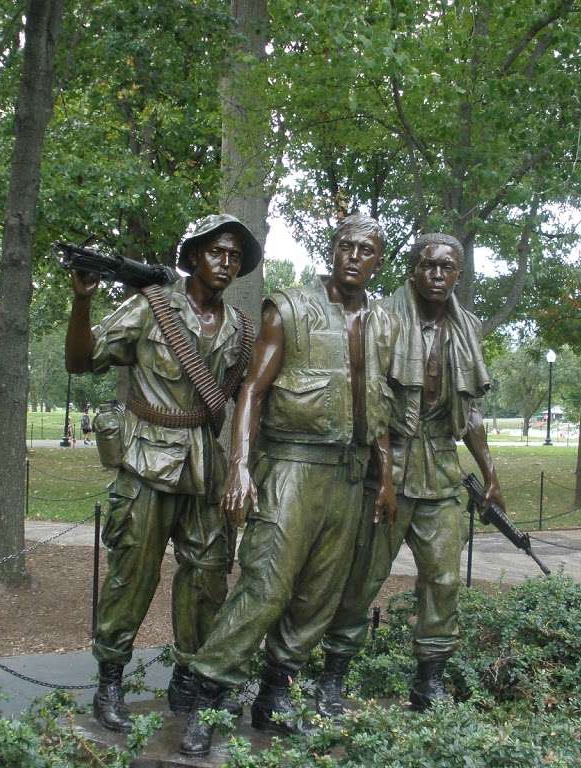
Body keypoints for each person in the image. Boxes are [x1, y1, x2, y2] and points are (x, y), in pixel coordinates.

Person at [179, 214, 399, 757]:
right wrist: (239, 466)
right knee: (266, 585)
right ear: (332, 251)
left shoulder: (384, 323)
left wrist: (386, 475)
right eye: (345, 246)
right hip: (293, 465)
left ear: (377, 261)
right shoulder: (290, 308)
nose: (353, 256)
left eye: (366, 249)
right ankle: (208, 694)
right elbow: (251, 389)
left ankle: (276, 696)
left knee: (317, 595)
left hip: (349, 474)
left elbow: (382, 405)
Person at [65, 214, 262, 733]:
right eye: (217, 252)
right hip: (145, 463)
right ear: (194, 255)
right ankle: (110, 681)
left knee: (207, 577)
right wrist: (83, 300)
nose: (226, 263)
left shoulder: (241, 328)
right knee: (132, 575)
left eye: (235, 256)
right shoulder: (152, 306)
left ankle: (189, 677)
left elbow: (245, 396)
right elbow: (82, 361)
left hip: (204, 468)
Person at [319, 232, 505, 715]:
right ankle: (332, 677)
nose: (438, 276)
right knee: (364, 576)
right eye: (429, 267)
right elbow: (370, 399)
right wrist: (382, 476)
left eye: (448, 269)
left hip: (441, 470)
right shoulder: (381, 318)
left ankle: (429, 682)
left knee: (443, 579)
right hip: (389, 466)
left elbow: (471, 414)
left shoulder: (468, 328)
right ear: (413, 271)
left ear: (458, 276)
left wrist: (490, 474)